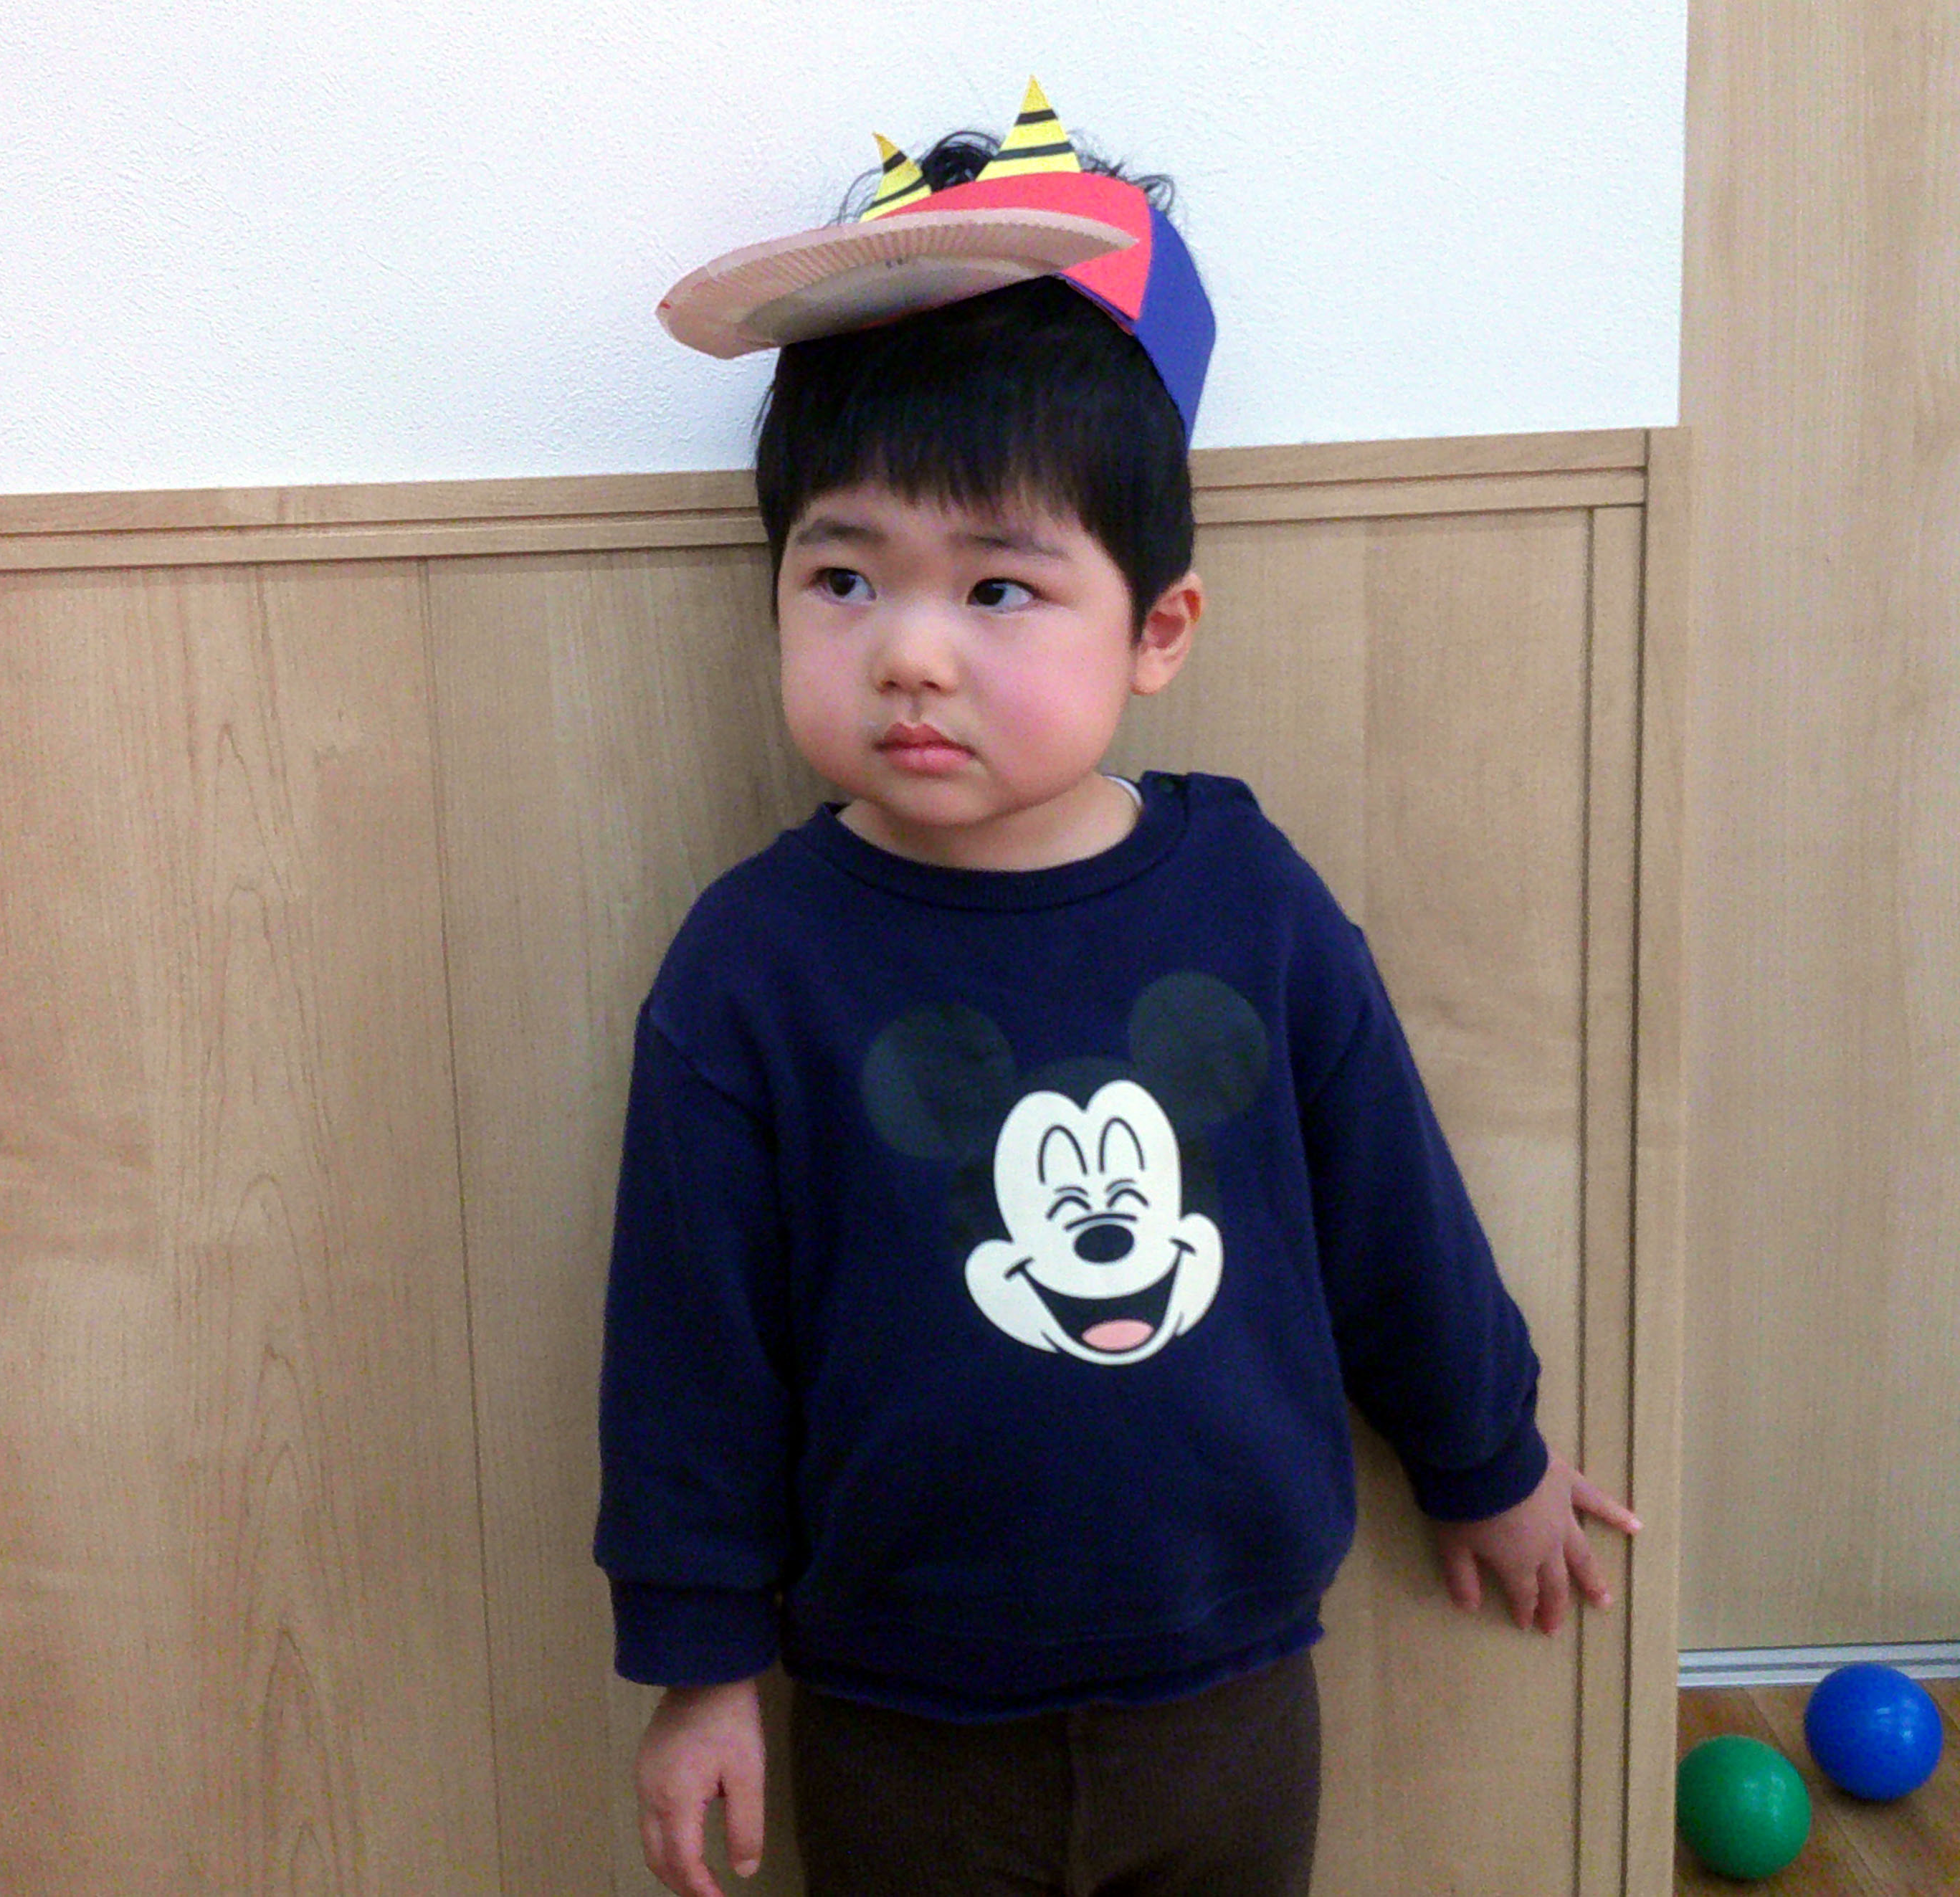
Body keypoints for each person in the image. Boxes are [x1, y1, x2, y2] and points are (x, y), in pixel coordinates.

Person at [594, 81, 1640, 1897]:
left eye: (1000, 589)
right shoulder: (750, 967)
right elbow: (690, 1355)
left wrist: (1488, 1456)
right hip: (890, 1712)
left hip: (1226, 1686)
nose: (910, 653)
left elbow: (1393, 1209)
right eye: (842, 577)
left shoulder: (1248, 899)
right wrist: (700, 1674)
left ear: (1157, 631)